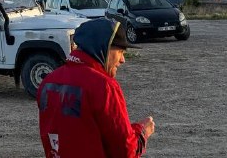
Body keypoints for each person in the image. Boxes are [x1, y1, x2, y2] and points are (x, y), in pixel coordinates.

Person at [37, 18, 155, 158]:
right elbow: (124, 151)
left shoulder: (48, 82)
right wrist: (142, 132)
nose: (123, 60)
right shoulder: (104, 86)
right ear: (104, 48)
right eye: (121, 52)